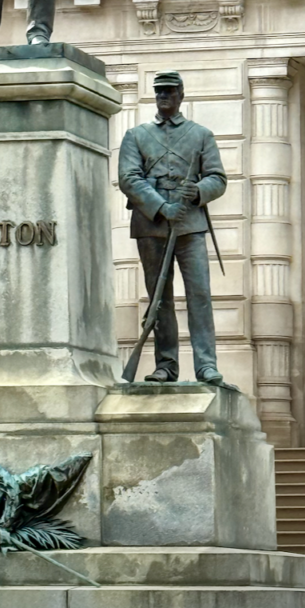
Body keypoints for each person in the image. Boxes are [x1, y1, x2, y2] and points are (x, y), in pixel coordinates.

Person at [118, 71, 227, 384]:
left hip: (190, 225)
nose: (163, 96)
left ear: (181, 94)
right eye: (159, 92)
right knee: (159, 299)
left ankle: (206, 364)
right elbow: (129, 178)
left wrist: (199, 191)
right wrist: (162, 207)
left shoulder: (201, 135)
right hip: (151, 225)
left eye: (169, 91)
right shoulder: (135, 136)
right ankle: (166, 365)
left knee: (199, 295)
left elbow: (217, 178)